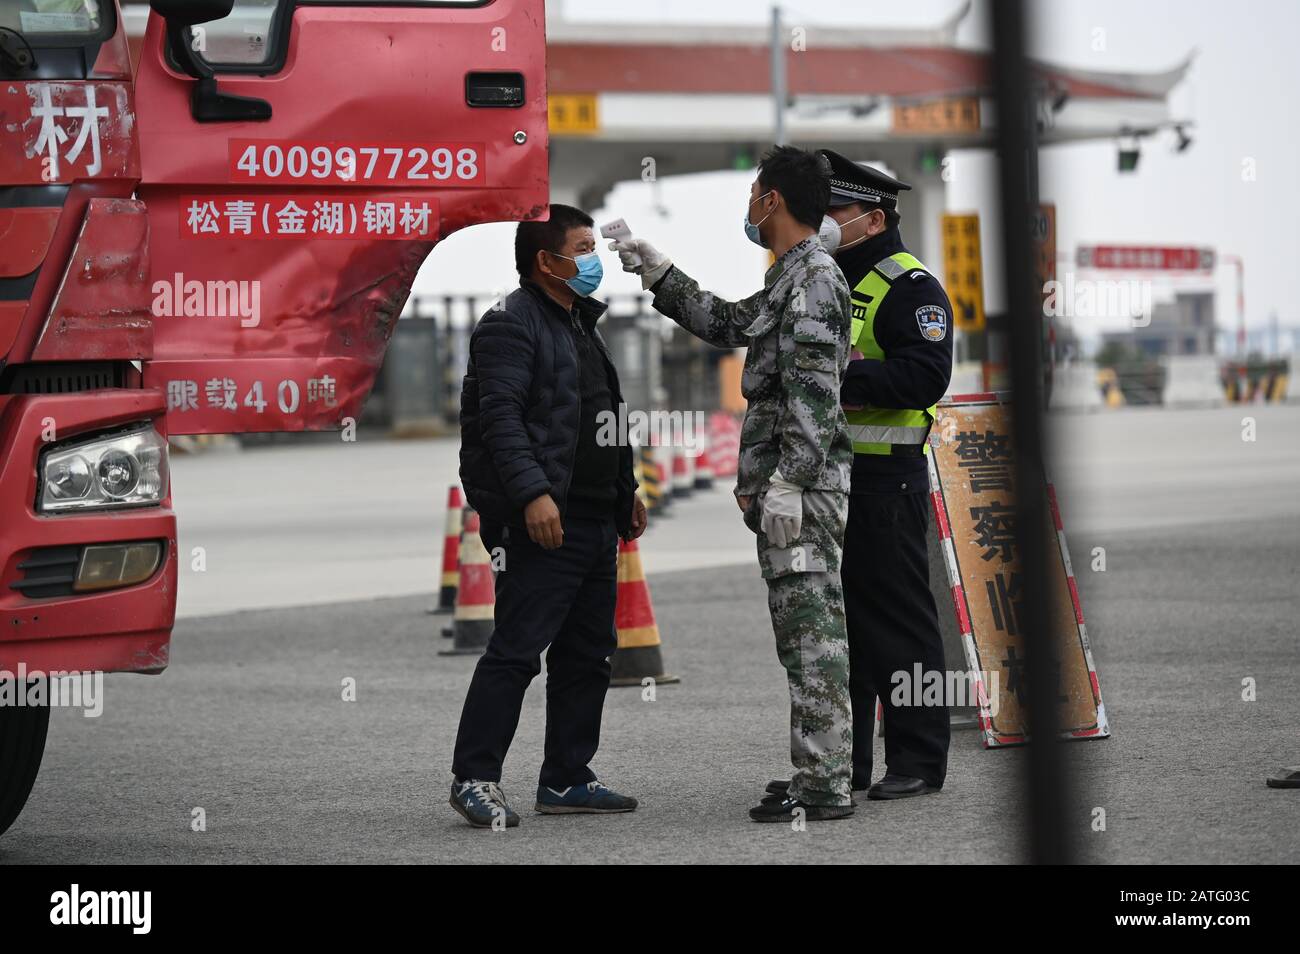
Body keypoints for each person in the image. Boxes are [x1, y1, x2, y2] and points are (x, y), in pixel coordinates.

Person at [613, 146, 855, 822]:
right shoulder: (792, 276)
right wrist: (658, 271)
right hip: (791, 488)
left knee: (813, 637)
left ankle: (823, 786)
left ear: (772, 200)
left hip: (799, 492)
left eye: (754, 192)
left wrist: (791, 482)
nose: (748, 205)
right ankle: (820, 770)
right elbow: (728, 324)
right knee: (803, 634)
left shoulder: (812, 280)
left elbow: (815, 394)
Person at [450, 204, 646, 829]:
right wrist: (534, 495)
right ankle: (474, 777)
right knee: (516, 650)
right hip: (540, 519)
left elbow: (597, 417)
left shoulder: (578, 323)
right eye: (584, 247)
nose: (594, 259)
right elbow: (500, 419)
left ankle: (565, 777)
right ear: (546, 260)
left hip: (592, 518)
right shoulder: (509, 325)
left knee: (588, 654)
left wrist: (625, 489)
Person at [771, 149, 954, 802]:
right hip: (828, 485)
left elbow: (927, 376)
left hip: (883, 485)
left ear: (872, 220)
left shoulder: (909, 288)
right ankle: (839, 766)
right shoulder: (820, 280)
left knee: (899, 627)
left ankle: (919, 759)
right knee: (834, 630)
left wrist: (839, 372)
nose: (823, 222)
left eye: (835, 211)